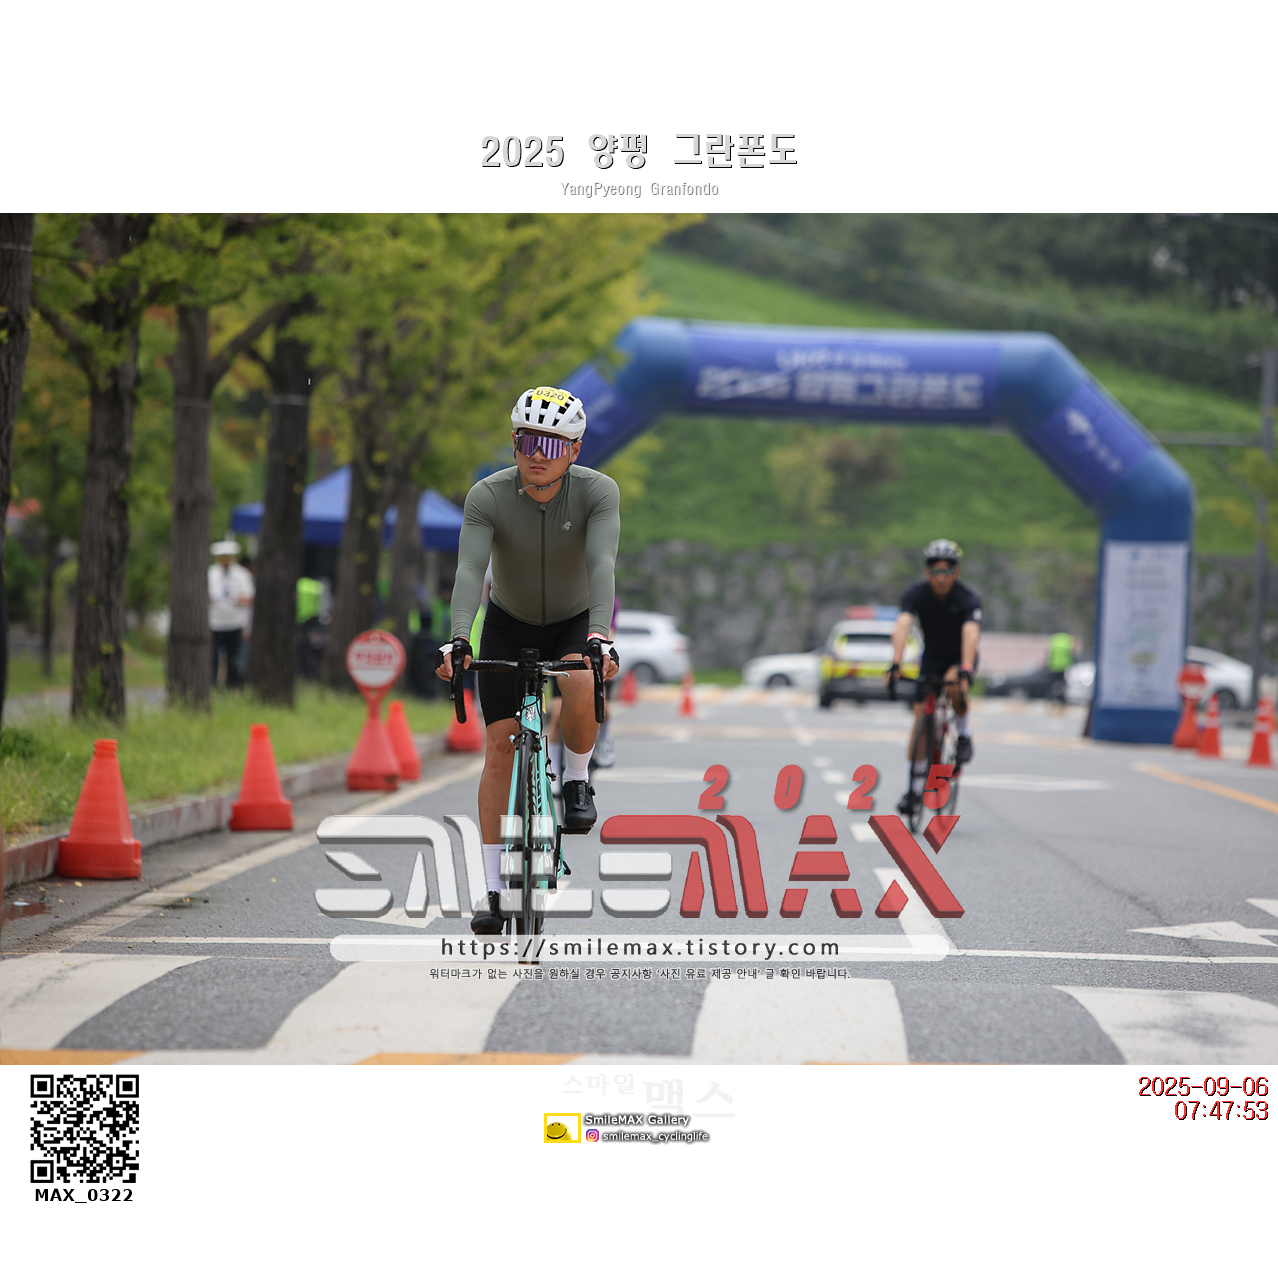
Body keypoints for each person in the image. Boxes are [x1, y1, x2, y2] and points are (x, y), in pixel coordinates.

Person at [436, 387, 620, 935]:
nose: (537, 453)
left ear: (575, 449)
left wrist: (600, 635)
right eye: (525, 440)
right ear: (513, 442)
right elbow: (470, 570)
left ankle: (577, 778)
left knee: (580, 680)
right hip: (507, 622)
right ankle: (494, 889)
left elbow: (601, 562)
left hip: (573, 620)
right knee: (499, 748)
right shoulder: (487, 495)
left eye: (551, 443)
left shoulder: (598, 492)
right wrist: (458, 638)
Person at [886, 539, 981, 817]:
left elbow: (971, 634)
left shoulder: (967, 598)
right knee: (920, 719)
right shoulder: (916, 594)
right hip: (931, 658)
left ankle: (963, 734)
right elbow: (902, 626)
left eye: (947, 571)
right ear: (927, 572)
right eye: (935, 571)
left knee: (952, 685)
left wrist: (966, 668)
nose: (941, 578)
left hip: (960, 656)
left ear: (956, 572)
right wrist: (896, 662)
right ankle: (914, 790)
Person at [208, 539, 254, 689]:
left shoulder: (242, 574)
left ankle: (232, 686)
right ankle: (212, 685)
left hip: (235, 623)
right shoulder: (210, 573)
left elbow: (251, 597)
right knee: (213, 657)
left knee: (233, 658)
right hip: (214, 623)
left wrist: (240, 600)